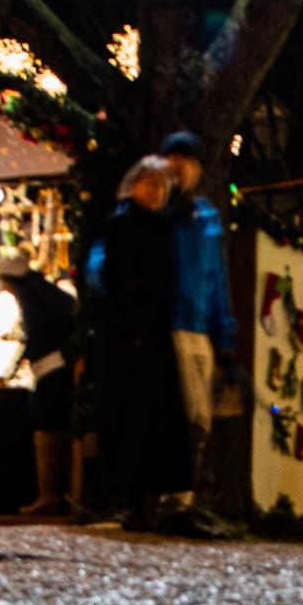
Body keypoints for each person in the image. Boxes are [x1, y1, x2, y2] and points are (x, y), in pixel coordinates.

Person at [93, 157, 191, 528]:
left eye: (161, 187)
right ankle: (132, 499)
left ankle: (150, 499)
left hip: (153, 334)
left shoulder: (163, 230)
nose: (155, 193)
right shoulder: (120, 227)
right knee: (132, 417)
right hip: (127, 333)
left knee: (155, 419)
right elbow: (113, 279)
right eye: (149, 185)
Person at [157, 131, 235, 509]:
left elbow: (216, 279)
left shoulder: (205, 219)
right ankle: (170, 493)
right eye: (173, 163)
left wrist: (226, 335)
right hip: (166, 326)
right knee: (179, 413)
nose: (179, 171)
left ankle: (182, 493)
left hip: (198, 327)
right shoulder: (153, 213)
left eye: (185, 164)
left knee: (199, 416)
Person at [0, 243, 78, 515]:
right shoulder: (48, 290)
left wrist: (22, 358)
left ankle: (49, 494)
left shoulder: (30, 294)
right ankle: (67, 492)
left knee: (47, 427)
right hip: (62, 364)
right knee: (61, 427)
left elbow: (38, 331)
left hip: (50, 366)